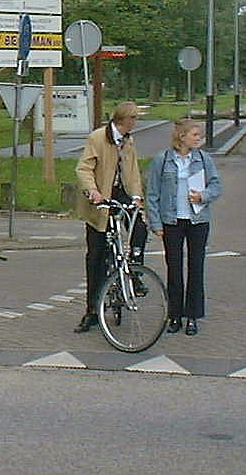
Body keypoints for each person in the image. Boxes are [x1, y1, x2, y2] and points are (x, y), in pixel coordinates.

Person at [145, 119, 223, 336]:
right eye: (195, 135)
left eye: (199, 135)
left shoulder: (203, 159)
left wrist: (202, 196)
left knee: (196, 267)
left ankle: (193, 316)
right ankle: (174, 315)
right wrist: (155, 222)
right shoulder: (163, 160)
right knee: (174, 268)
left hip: (197, 221)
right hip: (172, 221)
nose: (199, 139)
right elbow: (152, 193)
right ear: (182, 136)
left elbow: (216, 185)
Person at [73, 101, 146, 333]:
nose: (135, 122)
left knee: (139, 229)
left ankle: (134, 272)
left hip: (121, 194)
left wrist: (136, 196)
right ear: (123, 119)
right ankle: (92, 310)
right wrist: (92, 191)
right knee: (96, 256)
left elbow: (132, 170)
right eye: (133, 118)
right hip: (100, 199)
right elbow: (83, 168)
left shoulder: (128, 141)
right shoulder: (98, 138)